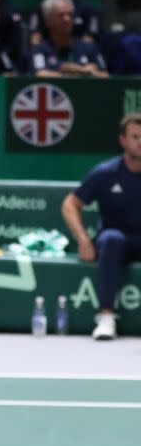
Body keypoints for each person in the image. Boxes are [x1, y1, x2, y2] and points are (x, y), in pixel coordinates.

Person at [62, 114, 141, 341]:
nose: (140, 142)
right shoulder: (106, 173)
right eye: (135, 136)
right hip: (116, 242)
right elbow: (70, 204)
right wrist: (83, 239)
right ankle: (106, 317)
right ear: (123, 140)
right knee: (111, 239)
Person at [27, 0, 108, 77]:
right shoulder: (39, 50)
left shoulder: (89, 48)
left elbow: (105, 75)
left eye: (70, 15)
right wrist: (79, 70)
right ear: (48, 21)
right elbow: (40, 74)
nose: (67, 19)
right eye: (61, 15)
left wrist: (76, 70)